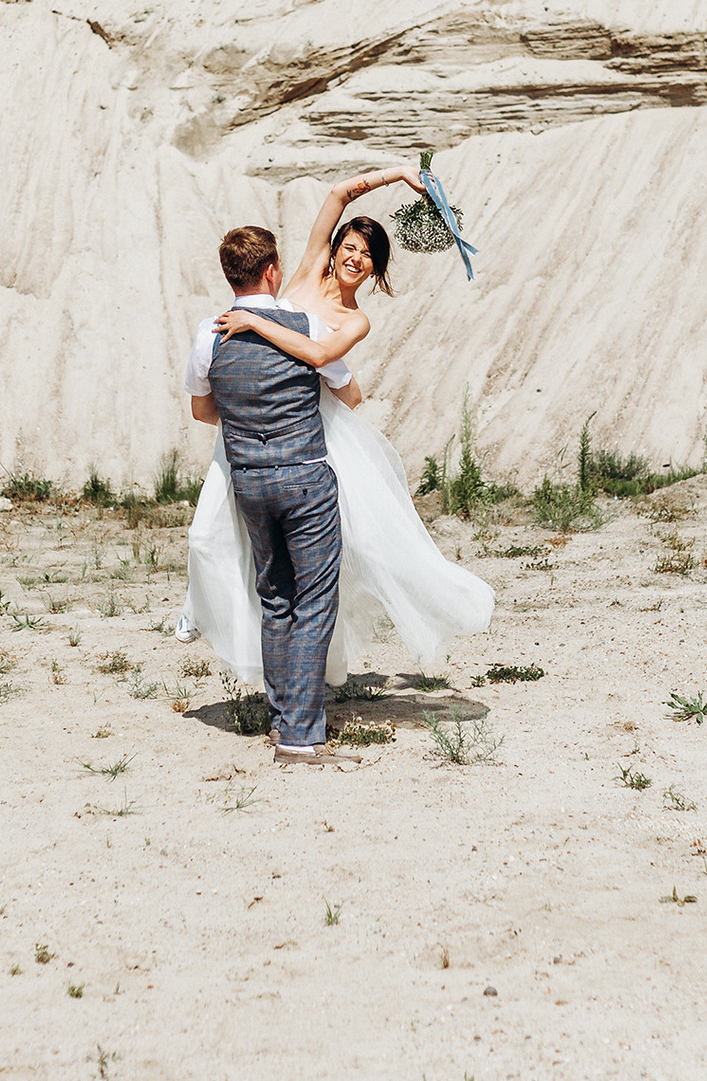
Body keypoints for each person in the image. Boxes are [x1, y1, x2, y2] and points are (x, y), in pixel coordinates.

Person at [180, 173, 493, 741]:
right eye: (349, 247)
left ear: (375, 270)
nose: (354, 258)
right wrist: (398, 175)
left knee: (351, 549)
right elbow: (337, 198)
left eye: (367, 256)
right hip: (259, 426)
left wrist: (257, 323)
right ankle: (203, 606)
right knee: (215, 536)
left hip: (310, 432)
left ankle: (305, 681)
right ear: (332, 252)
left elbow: (327, 361)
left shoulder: (354, 319)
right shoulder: (300, 278)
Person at [183, 224, 350, 764]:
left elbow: (202, 411)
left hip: (250, 482)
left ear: (231, 273)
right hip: (304, 475)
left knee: (275, 598)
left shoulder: (209, 333)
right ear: (273, 270)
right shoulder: (307, 325)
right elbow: (349, 392)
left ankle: (283, 723)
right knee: (315, 599)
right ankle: (302, 736)